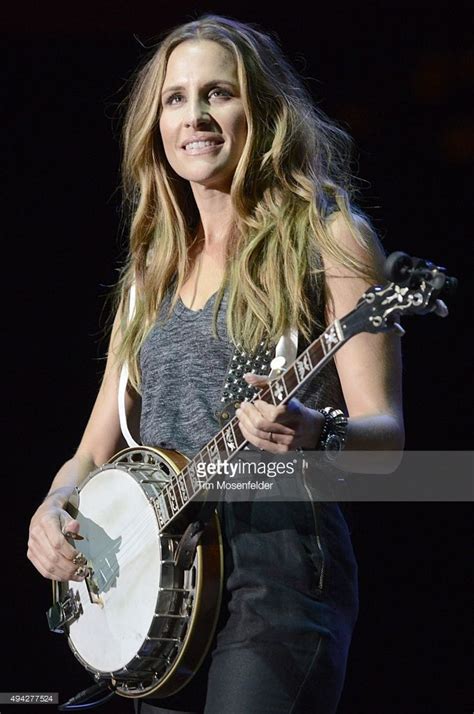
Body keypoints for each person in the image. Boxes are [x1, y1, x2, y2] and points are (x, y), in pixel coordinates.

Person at [27, 14, 404, 714]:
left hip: (280, 573)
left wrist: (315, 432)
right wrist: (53, 509)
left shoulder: (329, 237)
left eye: (218, 93)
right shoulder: (150, 274)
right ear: (155, 125)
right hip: (161, 590)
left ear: (259, 109)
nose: (195, 116)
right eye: (176, 98)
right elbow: (88, 454)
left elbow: (388, 443)